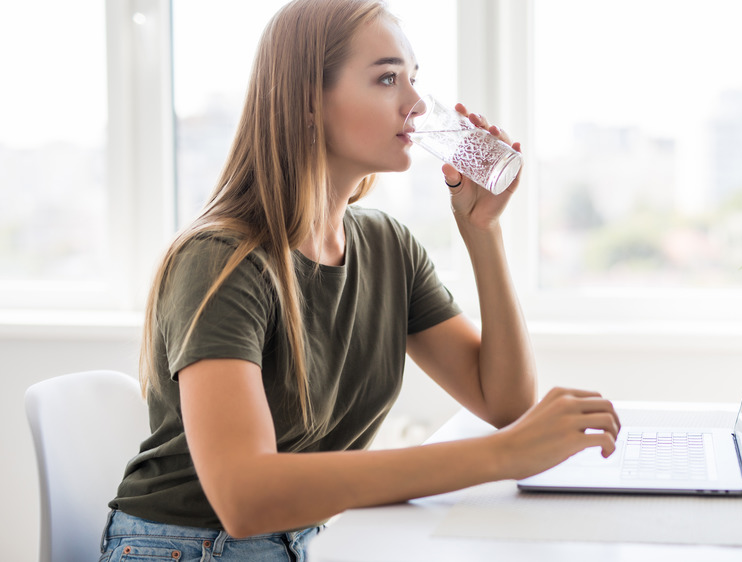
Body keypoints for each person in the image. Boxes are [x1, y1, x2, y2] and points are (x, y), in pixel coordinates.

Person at [100, 0, 619, 559]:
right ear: (306, 102)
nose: (417, 102)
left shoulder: (386, 246)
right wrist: (504, 456)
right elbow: (243, 498)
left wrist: (482, 232)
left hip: (311, 539)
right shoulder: (220, 261)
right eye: (388, 78)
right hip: (191, 548)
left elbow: (504, 402)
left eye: (414, 78)